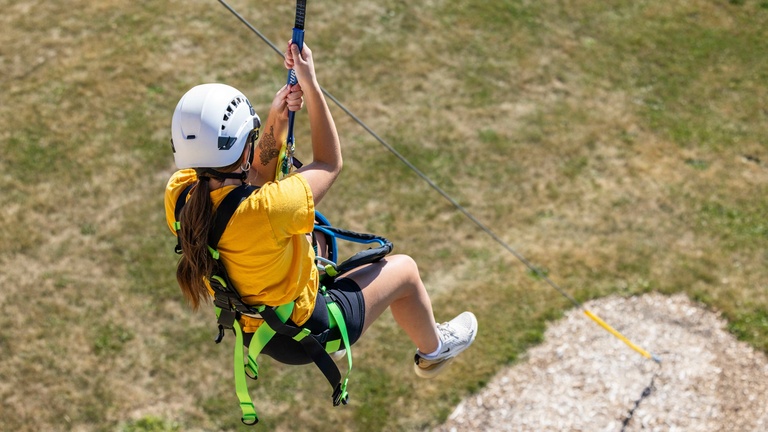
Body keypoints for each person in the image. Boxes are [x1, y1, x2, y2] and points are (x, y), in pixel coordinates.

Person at [164, 41, 477, 379]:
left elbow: (247, 181)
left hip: (258, 327)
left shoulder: (179, 196)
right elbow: (329, 163)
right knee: (404, 271)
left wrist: (277, 117)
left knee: (315, 235)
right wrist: (311, 85)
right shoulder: (270, 209)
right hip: (311, 329)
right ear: (243, 149)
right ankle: (434, 351)